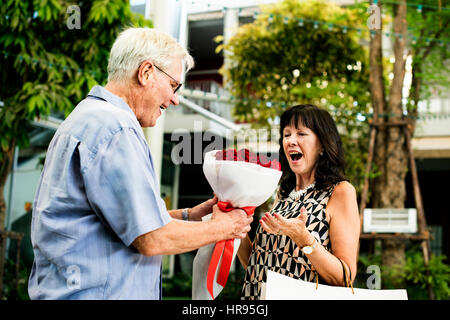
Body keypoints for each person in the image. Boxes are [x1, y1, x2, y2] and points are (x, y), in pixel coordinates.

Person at [28, 27, 252, 300]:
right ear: (145, 72)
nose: (175, 98)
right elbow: (151, 237)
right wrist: (224, 227)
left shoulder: (89, 117)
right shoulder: (116, 128)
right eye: (173, 85)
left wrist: (190, 216)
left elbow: (124, 222)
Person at [238, 104, 360, 300]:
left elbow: (345, 278)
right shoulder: (283, 194)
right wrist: (236, 228)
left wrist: (304, 239)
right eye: (287, 135)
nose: (291, 141)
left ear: (322, 145)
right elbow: (258, 265)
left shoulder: (340, 192)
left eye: (301, 134)